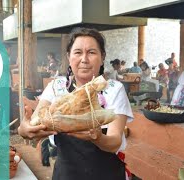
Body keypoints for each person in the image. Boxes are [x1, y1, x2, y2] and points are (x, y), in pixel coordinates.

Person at [18, 27, 134, 180]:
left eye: (91, 52)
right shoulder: (56, 87)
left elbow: (114, 141)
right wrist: (24, 129)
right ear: (69, 56)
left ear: (102, 57)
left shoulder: (113, 89)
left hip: (106, 174)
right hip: (66, 174)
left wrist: (98, 137)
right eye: (78, 52)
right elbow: (32, 125)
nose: (84, 59)